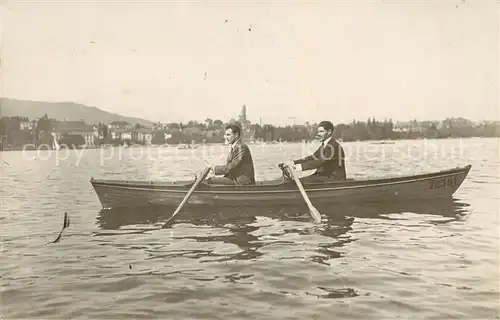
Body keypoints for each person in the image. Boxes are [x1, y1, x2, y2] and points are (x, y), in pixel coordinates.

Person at [281, 120, 347, 183]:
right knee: (296, 181)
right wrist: (293, 162)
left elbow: (320, 162)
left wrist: (297, 167)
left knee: (296, 182)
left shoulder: (334, 146)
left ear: (329, 132)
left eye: (321, 131)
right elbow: (312, 158)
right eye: (318, 132)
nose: (318, 134)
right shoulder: (324, 145)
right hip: (323, 177)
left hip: (334, 179)